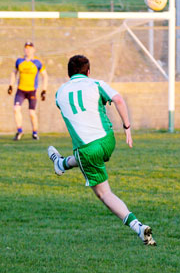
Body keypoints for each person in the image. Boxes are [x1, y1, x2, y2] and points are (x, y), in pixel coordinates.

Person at [47, 54, 156, 246]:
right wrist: (127, 127)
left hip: (87, 149)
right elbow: (119, 100)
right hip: (108, 140)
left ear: (69, 73)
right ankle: (61, 163)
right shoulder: (96, 84)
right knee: (85, 158)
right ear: (88, 72)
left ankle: (138, 227)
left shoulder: (59, 93)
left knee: (104, 193)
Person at [8, 41, 48, 140]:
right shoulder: (19, 61)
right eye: (26, 48)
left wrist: (44, 90)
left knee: (31, 113)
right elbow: (14, 73)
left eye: (30, 48)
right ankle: (19, 131)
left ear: (34, 50)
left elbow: (45, 76)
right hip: (21, 90)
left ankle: (34, 132)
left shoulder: (37, 63)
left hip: (32, 91)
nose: (28, 50)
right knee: (16, 109)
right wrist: (11, 85)